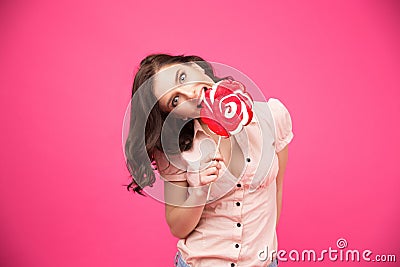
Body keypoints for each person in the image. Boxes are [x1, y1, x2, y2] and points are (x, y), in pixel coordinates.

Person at [124, 53, 294, 267]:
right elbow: (178, 228)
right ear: (177, 114)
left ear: (197, 67)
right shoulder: (176, 150)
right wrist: (198, 191)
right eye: (175, 100)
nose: (189, 94)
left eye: (183, 77)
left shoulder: (272, 117)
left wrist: (263, 253)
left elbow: (277, 190)